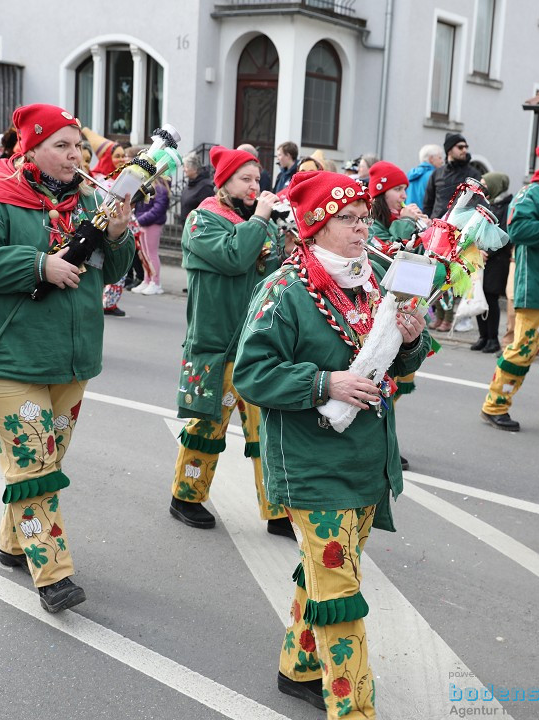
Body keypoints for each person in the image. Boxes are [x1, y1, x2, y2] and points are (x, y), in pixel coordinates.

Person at [232, 170, 430, 719]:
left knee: (328, 573)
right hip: (310, 462)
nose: (362, 228)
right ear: (317, 224)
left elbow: (403, 361)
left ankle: (299, 666)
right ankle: (355, 707)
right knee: (339, 587)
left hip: (367, 457)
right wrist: (325, 383)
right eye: (349, 219)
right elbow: (251, 374)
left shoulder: (379, 279)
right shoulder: (284, 289)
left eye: (366, 218)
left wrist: (411, 340)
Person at [0, 102, 135, 613]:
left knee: (45, 461)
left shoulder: (93, 200)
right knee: (34, 466)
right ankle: (53, 575)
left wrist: (119, 234)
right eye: (61, 145)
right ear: (29, 147)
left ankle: (15, 543)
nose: (75, 155)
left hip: (72, 358)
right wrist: (39, 266)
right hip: (11, 357)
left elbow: (114, 272)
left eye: (78, 146)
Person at [169, 145, 291, 536]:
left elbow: (273, 271)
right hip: (216, 343)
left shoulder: (263, 222)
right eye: (246, 179)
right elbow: (236, 257)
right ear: (224, 182)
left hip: (257, 344)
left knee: (267, 432)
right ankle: (185, 496)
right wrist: (260, 219)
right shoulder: (201, 220)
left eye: (258, 179)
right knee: (207, 428)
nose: (256, 186)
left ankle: (277, 511)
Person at [480, 144, 539, 432]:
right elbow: (517, 230)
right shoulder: (531, 193)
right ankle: (494, 406)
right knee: (521, 351)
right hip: (536, 289)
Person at [366, 159, 428, 471]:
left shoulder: (396, 220)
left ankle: (383, 436)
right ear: (380, 193)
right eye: (398, 189)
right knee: (382, 381)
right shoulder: (372, 224)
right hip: (379, 312)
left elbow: (419, 261)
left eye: (405, 188)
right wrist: (405, 224)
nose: (404, 194)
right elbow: (393, 256)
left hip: (406, 311)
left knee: (400, 381)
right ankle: (379, 441)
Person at [83, 127, 130, 317]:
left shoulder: (126, 177)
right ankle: (104, 303)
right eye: (116, 156)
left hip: (121, 229)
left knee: (120, 270)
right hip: (100, 230)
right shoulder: (99, 179)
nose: (120, 159)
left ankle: (110, 303)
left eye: (122, 156)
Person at [473, 171, 512, 353]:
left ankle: (493, 339)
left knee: (491, 298)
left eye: (486, 184)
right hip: (480, 256)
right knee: (478, 295)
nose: (482, 188)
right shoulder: (486, 202)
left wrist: (487, 251)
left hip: (497, 260)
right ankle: (483, 336)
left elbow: (505, 234)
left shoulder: (507, 205)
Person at [423, 132, 481, 219]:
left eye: (466, 147)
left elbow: (477, 203)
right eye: (460, 147)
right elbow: (428, 204)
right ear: (449, 150)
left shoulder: (473, 174)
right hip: (437, 225)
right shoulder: (437, 173)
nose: (464, 150)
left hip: (461, 227)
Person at [131, 175, 169, 295]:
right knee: (145, 254)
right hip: (143, 223)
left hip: (152, 224)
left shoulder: (160, 188)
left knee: (151, 254)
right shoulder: (148, 186)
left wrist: (141, 219)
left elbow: (158, 208)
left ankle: (156, 282)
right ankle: (147, 280)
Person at [406, 144, 443, 209]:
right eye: (439, 158)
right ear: (431, 159)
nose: (442, 161)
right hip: (426, 216)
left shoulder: (410, 175)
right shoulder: (434, 176)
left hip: (410, 214)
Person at [179, 150, 214, 221]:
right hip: (187, 228)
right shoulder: (190, 184)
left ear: (194, 169)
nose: (183, 170)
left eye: (185, 167)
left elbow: (208, 214)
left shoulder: (206, 187)